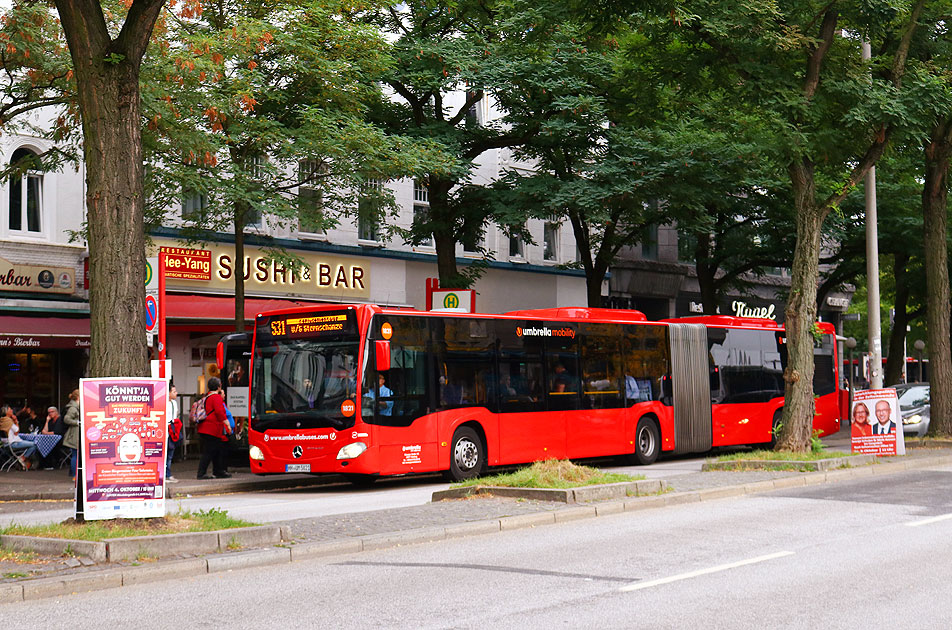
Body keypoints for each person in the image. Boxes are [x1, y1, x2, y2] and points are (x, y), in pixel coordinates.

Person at [196, 377, 232, 479]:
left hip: (207, 428)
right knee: (209, 451)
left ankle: (218, 470)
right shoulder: (216, 397)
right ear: (218, 386)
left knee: (215, 450)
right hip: (211, 429)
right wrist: (228, 425)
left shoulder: (208, 396)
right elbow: (220, 412)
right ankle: (202, 473)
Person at [1, 404, 39, 468]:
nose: (12, 410)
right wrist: (16, 421)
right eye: (10, 409)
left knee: (28, 443)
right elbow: (17, 430)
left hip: (5, 445)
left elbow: (14, 433)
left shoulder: (2, 420)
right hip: (13, 444)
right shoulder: (8, 421)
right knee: (34, 444)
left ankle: (23, 462)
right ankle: (23, 458)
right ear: (6, 412)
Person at [61, 389, 81, 480]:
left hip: (74, 434)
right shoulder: (73, 408)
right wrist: (77, 422)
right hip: (74, 434)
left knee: (75, 454)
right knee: (75, 455)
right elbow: (66, 419)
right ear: (78, 397)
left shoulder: (74, 406)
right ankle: (74, 475)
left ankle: (74, 475)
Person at [166, 385, 180, 483]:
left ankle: (168, 473)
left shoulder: (174, 403)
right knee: (165, 452)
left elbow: (176, 415)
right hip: (165, 429)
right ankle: (164, 473)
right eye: (174, 391)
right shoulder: (164, 403)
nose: (176, 393)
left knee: (170, 453)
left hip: (172, 429)